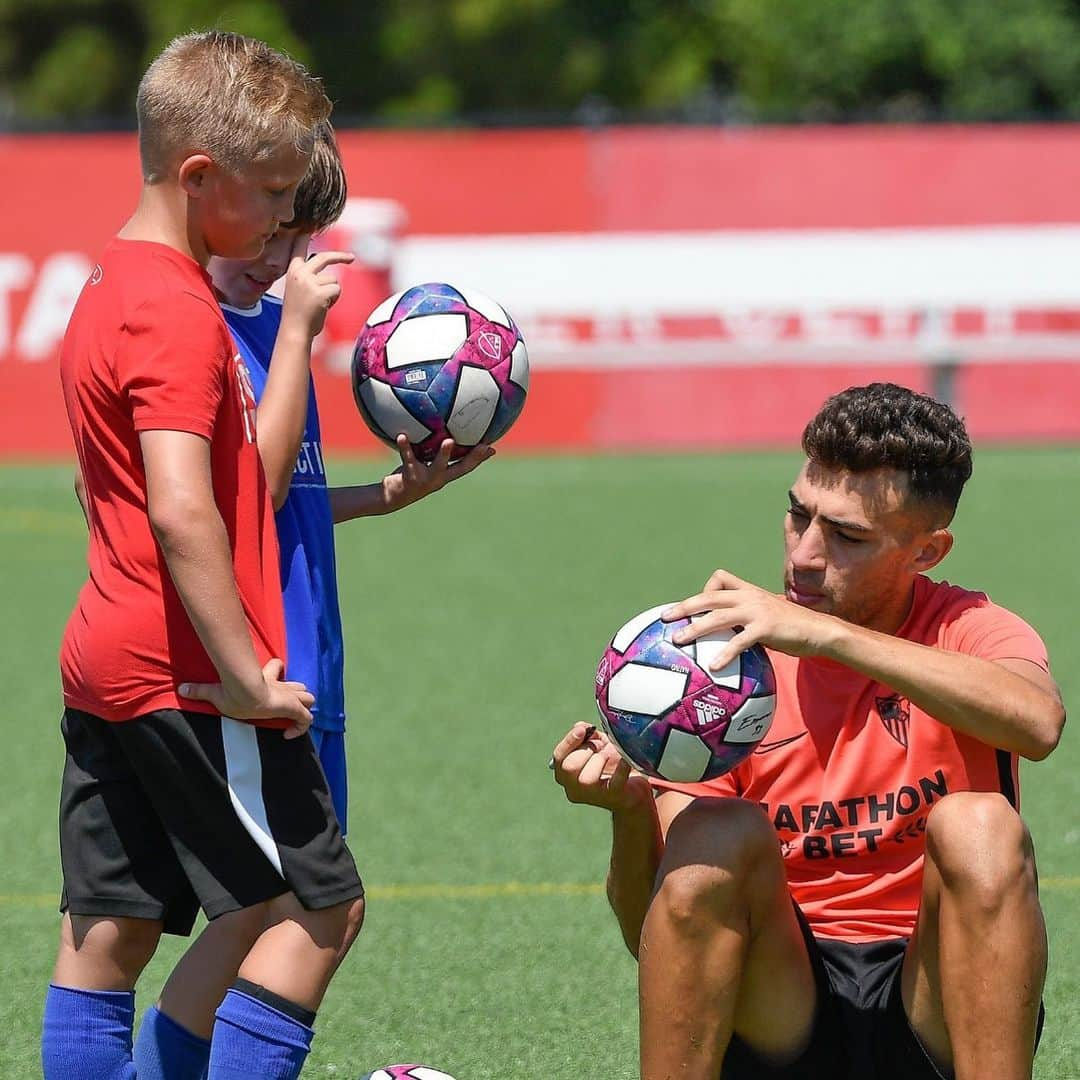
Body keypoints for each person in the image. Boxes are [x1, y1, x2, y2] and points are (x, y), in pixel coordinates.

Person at [552, 382, 1065, 1080]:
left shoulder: (967, 627)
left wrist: (826, 637)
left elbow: (1037, 722)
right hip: (784, 1004)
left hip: (941, 1000)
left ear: (926, 552)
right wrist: (628, 813)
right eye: (799, 517)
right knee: (711, 832)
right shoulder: (714, 672)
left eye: (848, 537)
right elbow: (662, 932)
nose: (803, 555)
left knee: (981, 826)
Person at [129, 122, 494, 1078]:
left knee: (263, 906)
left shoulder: (265, 326)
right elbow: (249, 483)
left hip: (307, 658)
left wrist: (391, 493)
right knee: (317, 906)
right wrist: (294, 330)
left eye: (305, 241)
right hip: (258, 661)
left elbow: (281, 503)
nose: (290, 263)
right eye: (275, 238)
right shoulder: (220, 334)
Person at [45, 31, 365, 1080]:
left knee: (108, 933)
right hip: (187, 671)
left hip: (104, 654)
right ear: (199, 178)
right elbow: (187, 515)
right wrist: (244, 679)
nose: (285, 216)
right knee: (320, 909)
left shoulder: (103, 288)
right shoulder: (181, 313)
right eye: (273, 191)